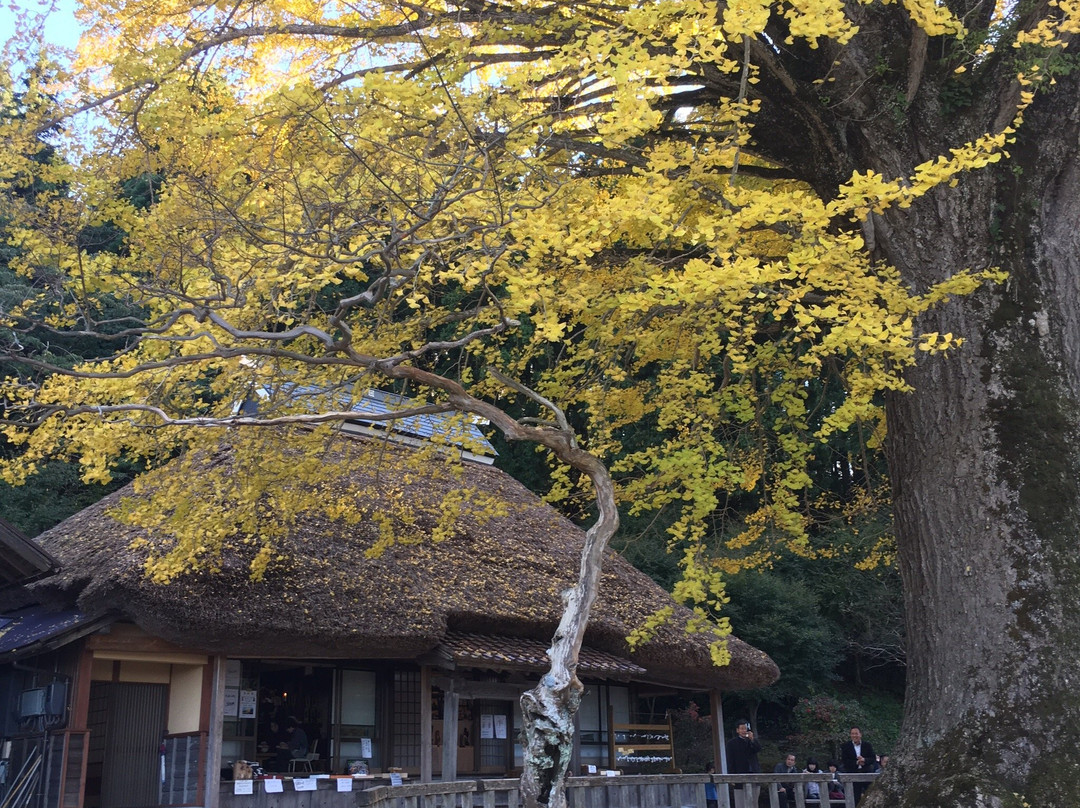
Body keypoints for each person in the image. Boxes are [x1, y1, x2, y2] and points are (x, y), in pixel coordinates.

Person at [724, 720, 761, 808]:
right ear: (737, 730)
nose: (744, 731)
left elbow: (758, 749)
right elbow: (730, 760)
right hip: (739, 773)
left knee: (754, 802)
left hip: (754, 773)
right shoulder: (731, 743)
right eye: (742, 729)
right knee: (740, 802)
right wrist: (731, 775)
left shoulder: (751, 741)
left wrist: (752, 739)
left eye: (745, 728)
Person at [840, 727, 879, 804]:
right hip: (853, 774)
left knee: (870, 795)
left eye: (856, 733)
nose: (854, 735)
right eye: (852, 734)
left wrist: (864, 760)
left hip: (866, 773)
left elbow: (872, 758)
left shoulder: (867, 745)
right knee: (855, 797)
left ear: (860, 734)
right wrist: (856, 762)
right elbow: (844, 761)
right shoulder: (845, 746)